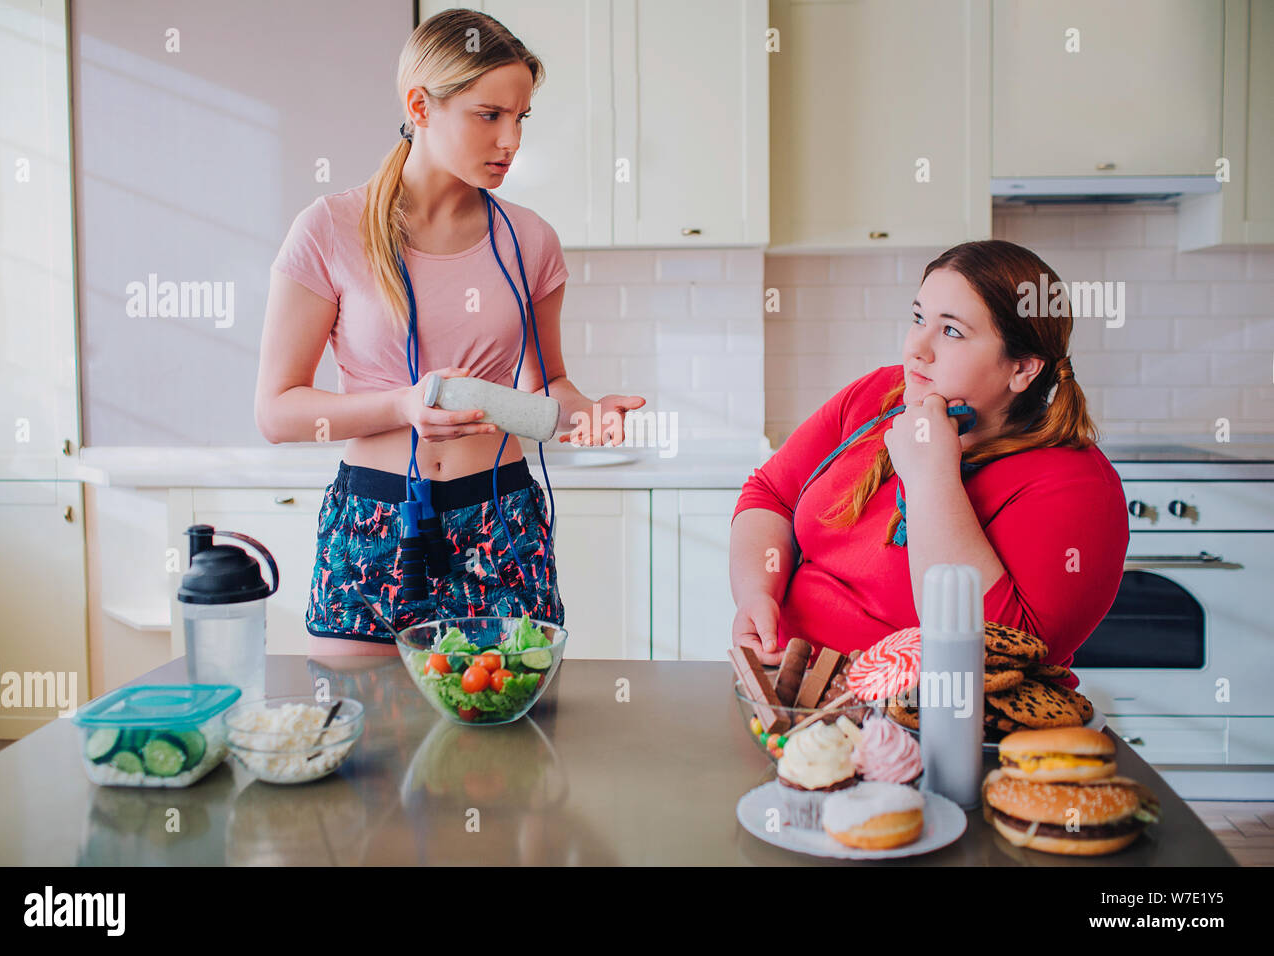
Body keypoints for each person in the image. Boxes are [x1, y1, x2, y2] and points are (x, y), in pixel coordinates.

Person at [256, 10, 644, 656]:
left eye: (520, 118)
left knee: (509, 748)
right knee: (370, 748)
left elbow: (545, 388)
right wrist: (402, 405)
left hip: (502, 522)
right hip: (375, 524)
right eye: (489, 115)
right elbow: (276, 410)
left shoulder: (531, 241)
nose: (511, 140)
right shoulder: (329, 229)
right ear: (421, 106)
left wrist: (590, 414)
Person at [730, 239, 1129, 685]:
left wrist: (931, 478)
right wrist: (756, 593)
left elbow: (998, 656)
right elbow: (771, 494)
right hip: (788, 697)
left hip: (931, 726)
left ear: (1023, 369)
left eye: (951, 331)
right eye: (918, 318)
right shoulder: (880, 395)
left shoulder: (1075, 486)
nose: (917, 348)